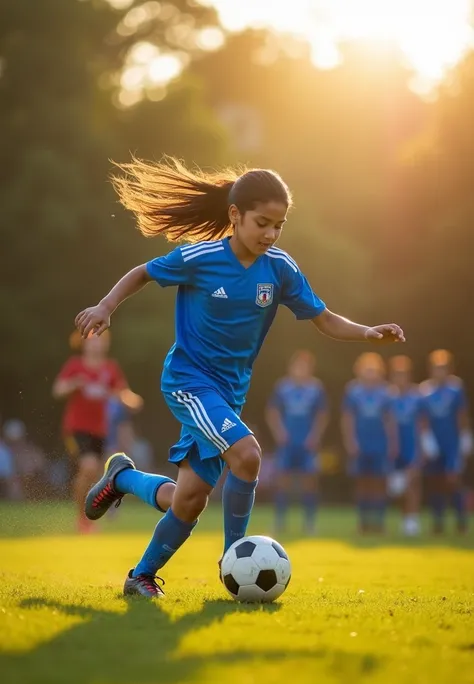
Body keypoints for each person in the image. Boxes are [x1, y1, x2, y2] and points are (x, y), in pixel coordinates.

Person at [76, 157, 405, 598]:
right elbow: (142, 273)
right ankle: (236, 558)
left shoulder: (280, 269)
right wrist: (105, 306)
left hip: (228, 395)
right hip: (189, 382)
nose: (270, 235)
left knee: (188, 501)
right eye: (262, 223)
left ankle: (126, 498)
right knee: (247, 456)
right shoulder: (201, 257)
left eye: (279, 226)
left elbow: (323, 318)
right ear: (235, 216)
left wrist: (367, 332)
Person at [52, 330, 128, 533]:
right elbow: (58, 389)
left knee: (94, 472)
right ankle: (82, 518)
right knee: (89, 466)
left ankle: (93, 510)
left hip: (100, 431)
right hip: (75, 429)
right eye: (91, 341)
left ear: (106, 344)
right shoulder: (75, 365)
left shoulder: (110, 369)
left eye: (99, 340)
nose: (95, 344)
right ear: (83, 344)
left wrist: (130, 400)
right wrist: (74, 383)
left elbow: (123, 392)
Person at [265, 350, 329, 534]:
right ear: (291, 368)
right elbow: (272, 411)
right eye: (297, 366)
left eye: (304, 366)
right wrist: (279, 432)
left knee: (310, 482)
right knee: (282, 481)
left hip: (307, 443)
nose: (300, 369)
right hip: (287, 442)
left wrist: (315, 435)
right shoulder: (283, 387)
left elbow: (322, 414)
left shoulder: (316, 388)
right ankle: (279, 522)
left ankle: (309, 524)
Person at [342, 353, 397, 534]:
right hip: (361, 444)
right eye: (367, 369)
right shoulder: (353, 391)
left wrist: (392, 443)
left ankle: (379, 523)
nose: (370, 373)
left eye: (373, 369)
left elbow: (390, 420)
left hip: (379, 444)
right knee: (362, 483)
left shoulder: (386, 392)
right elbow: (348, 418)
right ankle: (363, 523)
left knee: (379, 483)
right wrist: (351, 441)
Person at [419, 350, 472, 534]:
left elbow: (461, 415)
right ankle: (438, 522)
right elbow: (423, 419)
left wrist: (465, 437)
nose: (439, 371)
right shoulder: (425, 391)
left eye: (442, 368)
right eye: (436, 368)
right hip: (435, 444)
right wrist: (426, 440)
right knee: (436, 482)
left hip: (452, 443)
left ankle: (461, 522)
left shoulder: (456, 388)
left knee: (454, 481)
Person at [388, 355, 422, 537]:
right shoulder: (388, 397)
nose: (400, 378)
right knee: (396, 489)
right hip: (393, 448)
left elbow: (422, 422)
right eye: (397, 374)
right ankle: (404, 518)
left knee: (412, 483)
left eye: (403, 374)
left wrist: (423, 445)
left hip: (412, 446)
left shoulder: (417, 397)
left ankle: (412, 520)